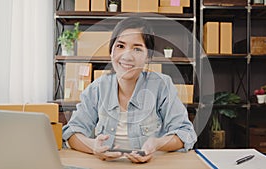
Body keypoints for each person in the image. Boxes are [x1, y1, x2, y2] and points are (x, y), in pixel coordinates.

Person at [62, 16, 197, 163]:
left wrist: (156, 144)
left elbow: (185, 133)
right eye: (120, 46)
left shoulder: (161, 85)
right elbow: (71, 133)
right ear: (111, 51)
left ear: (148, 57)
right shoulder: (97, 88)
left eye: (137, 49)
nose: (127, 56)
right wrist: (93, 146)